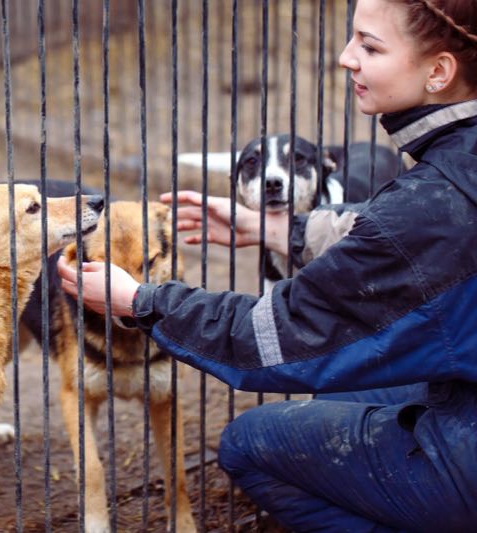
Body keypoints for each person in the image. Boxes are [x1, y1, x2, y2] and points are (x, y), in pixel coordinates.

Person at [57, 0, 477, 530]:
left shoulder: (432, 200)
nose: (346, 58)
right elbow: (407, 235)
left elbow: (282, 332)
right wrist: (280, 230)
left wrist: (142, 302)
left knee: (247, 444)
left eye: (369, 46)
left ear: (439, 71)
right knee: (341, 390)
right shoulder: (454, 169)